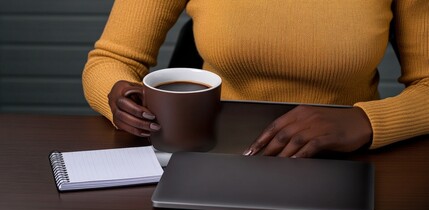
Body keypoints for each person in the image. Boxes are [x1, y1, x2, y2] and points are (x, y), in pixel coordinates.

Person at [82, 0, 429, 158]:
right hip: (216, 153)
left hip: (345, 157)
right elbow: (111, 60)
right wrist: (116, 96)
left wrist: (367, 121)